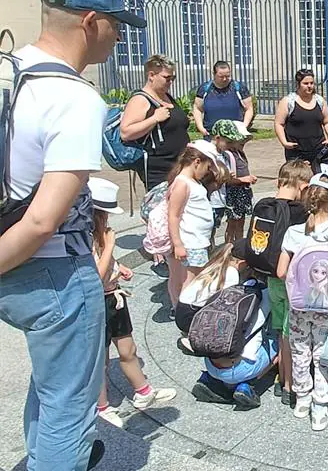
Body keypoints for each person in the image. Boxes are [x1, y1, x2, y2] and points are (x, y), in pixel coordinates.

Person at [0, 0, 145, 470]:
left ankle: (42, 457)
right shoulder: (75, 97)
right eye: (116, 25)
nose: (118, 38)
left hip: (11, 261)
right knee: (70, 403)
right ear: (89, 22)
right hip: (52, 265)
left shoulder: (8, 71)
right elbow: (43, 219)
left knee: (49, 381)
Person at [88, 178, 176, 428]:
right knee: (100, 360)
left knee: (128, 349)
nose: (108, 219)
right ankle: (101, 406)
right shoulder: (87, 239)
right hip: (98, 301)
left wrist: (120, 267)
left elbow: (107, 264)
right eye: (104, 214)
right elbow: (95, 276)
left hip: (114, 297)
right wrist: (109, 246)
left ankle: (143, 391)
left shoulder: (99, 234)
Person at [276, 172, 328, 431]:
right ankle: (320, 406)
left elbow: (280, 272)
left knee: (300, 351)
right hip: (327, 308)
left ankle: (302, 398)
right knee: (322, 354)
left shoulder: (293, 233)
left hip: (299, 307)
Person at [248, 159, 313, 407]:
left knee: (279, 329)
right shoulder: (300, 213)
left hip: (269, 278)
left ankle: (279, 378)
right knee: (289, 334)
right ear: (303, 187)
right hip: (290, 281)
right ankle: (289, 385)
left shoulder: (263, 206)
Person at [192, 240, 276, 408]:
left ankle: (210, 379)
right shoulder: (268, 294)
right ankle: (247, 384)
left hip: (210, 362)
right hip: (240, 368)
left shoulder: (228, 291)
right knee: (280, 343)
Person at [121, 54, 190, 191]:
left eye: (173, 78)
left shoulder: (166, 96)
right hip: (159, 171)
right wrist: (154, 119)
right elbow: (126, 132)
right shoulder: (140, 99)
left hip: (180, 166)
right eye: (167, 78)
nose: (171, 82)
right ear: (151, 75)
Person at [165, 141, 217, 315]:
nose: (207, 171)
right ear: (196, 161)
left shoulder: (191, 182)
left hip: (198, 240)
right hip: (191, 241)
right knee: (191, 281)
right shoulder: (182, 183)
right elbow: (174, 215)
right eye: (207, 166)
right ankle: (186, 314)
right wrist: (178, 243)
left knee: (194, 278)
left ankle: (188, 311)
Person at [274, 69, 328, 171]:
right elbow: (279, 123)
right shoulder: (288, 102)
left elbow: (327, 121)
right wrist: (284, 142)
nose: (309, 86)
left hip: (319, 150)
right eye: (305, 83)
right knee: (298, 180)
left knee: (319, 181)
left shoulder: (320, 101)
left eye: (312, 83)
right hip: (296, 151)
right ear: (298, 84)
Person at [192, 60, 254, 137]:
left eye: (227, 76)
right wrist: (201, 128)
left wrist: (243, 127)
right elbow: (197, 108)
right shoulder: (205, 89)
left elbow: (249, 109)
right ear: (214, 74)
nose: (225, 79)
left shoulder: (239, 88)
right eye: (221, 76)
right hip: (211, 134)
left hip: (234, 135)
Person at [225, 120, 257, 243]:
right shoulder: (228, 155)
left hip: (243, 192)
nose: (243, 143)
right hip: (234, 193)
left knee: (241, 221)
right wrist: (243, 179)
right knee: (232, 222)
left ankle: (238, 243)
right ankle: (228, 246)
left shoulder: (240, 153)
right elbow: (227, 179)